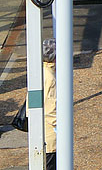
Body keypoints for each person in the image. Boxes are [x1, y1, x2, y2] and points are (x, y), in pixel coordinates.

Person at [41, 38, 55, 169]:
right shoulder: (51, 77)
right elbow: (51, 108)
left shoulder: (41, 71)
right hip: (51, 132)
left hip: (43, 129)